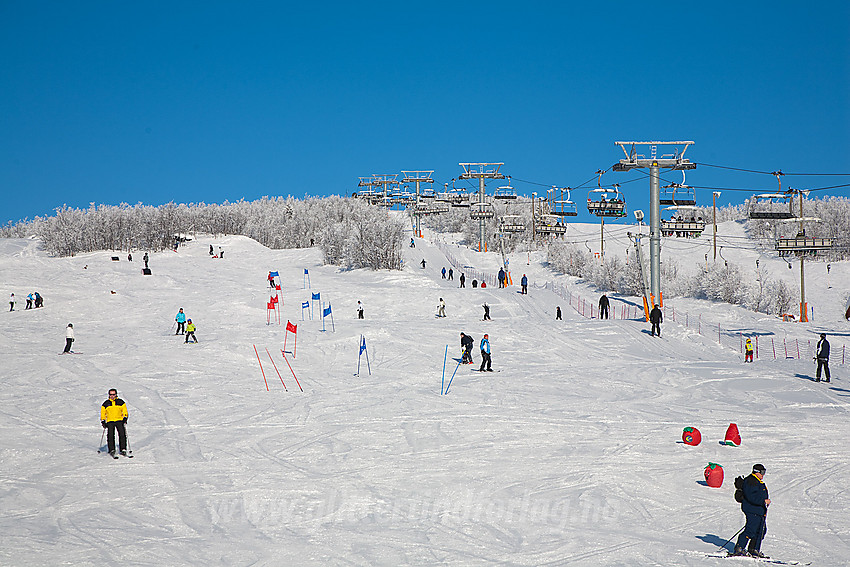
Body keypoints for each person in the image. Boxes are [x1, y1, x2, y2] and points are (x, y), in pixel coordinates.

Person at [733, 464, 771, 558]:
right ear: (756, 472)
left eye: (764, 472)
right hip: (752, 509)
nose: (763, 474)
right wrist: (763, 501)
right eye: (762, 472)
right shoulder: (751, 481)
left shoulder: (757, 481)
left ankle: (754, 549)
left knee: (760, 530)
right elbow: (751, 497)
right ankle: (739, 548)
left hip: (759, 510)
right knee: (751, 530)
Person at [101, 388, 129, 457]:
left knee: (122, 434)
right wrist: (103, 420)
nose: (112, 396)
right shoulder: (106, 403)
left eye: (113, 394)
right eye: (111, 394)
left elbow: (124, 410)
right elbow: (103, 413)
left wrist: (125, 417)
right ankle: (111, 449)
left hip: (119, 420)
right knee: (110, 436)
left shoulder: (120, 402)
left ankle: (123, 449)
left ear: (116, 394)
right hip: (110, 421)